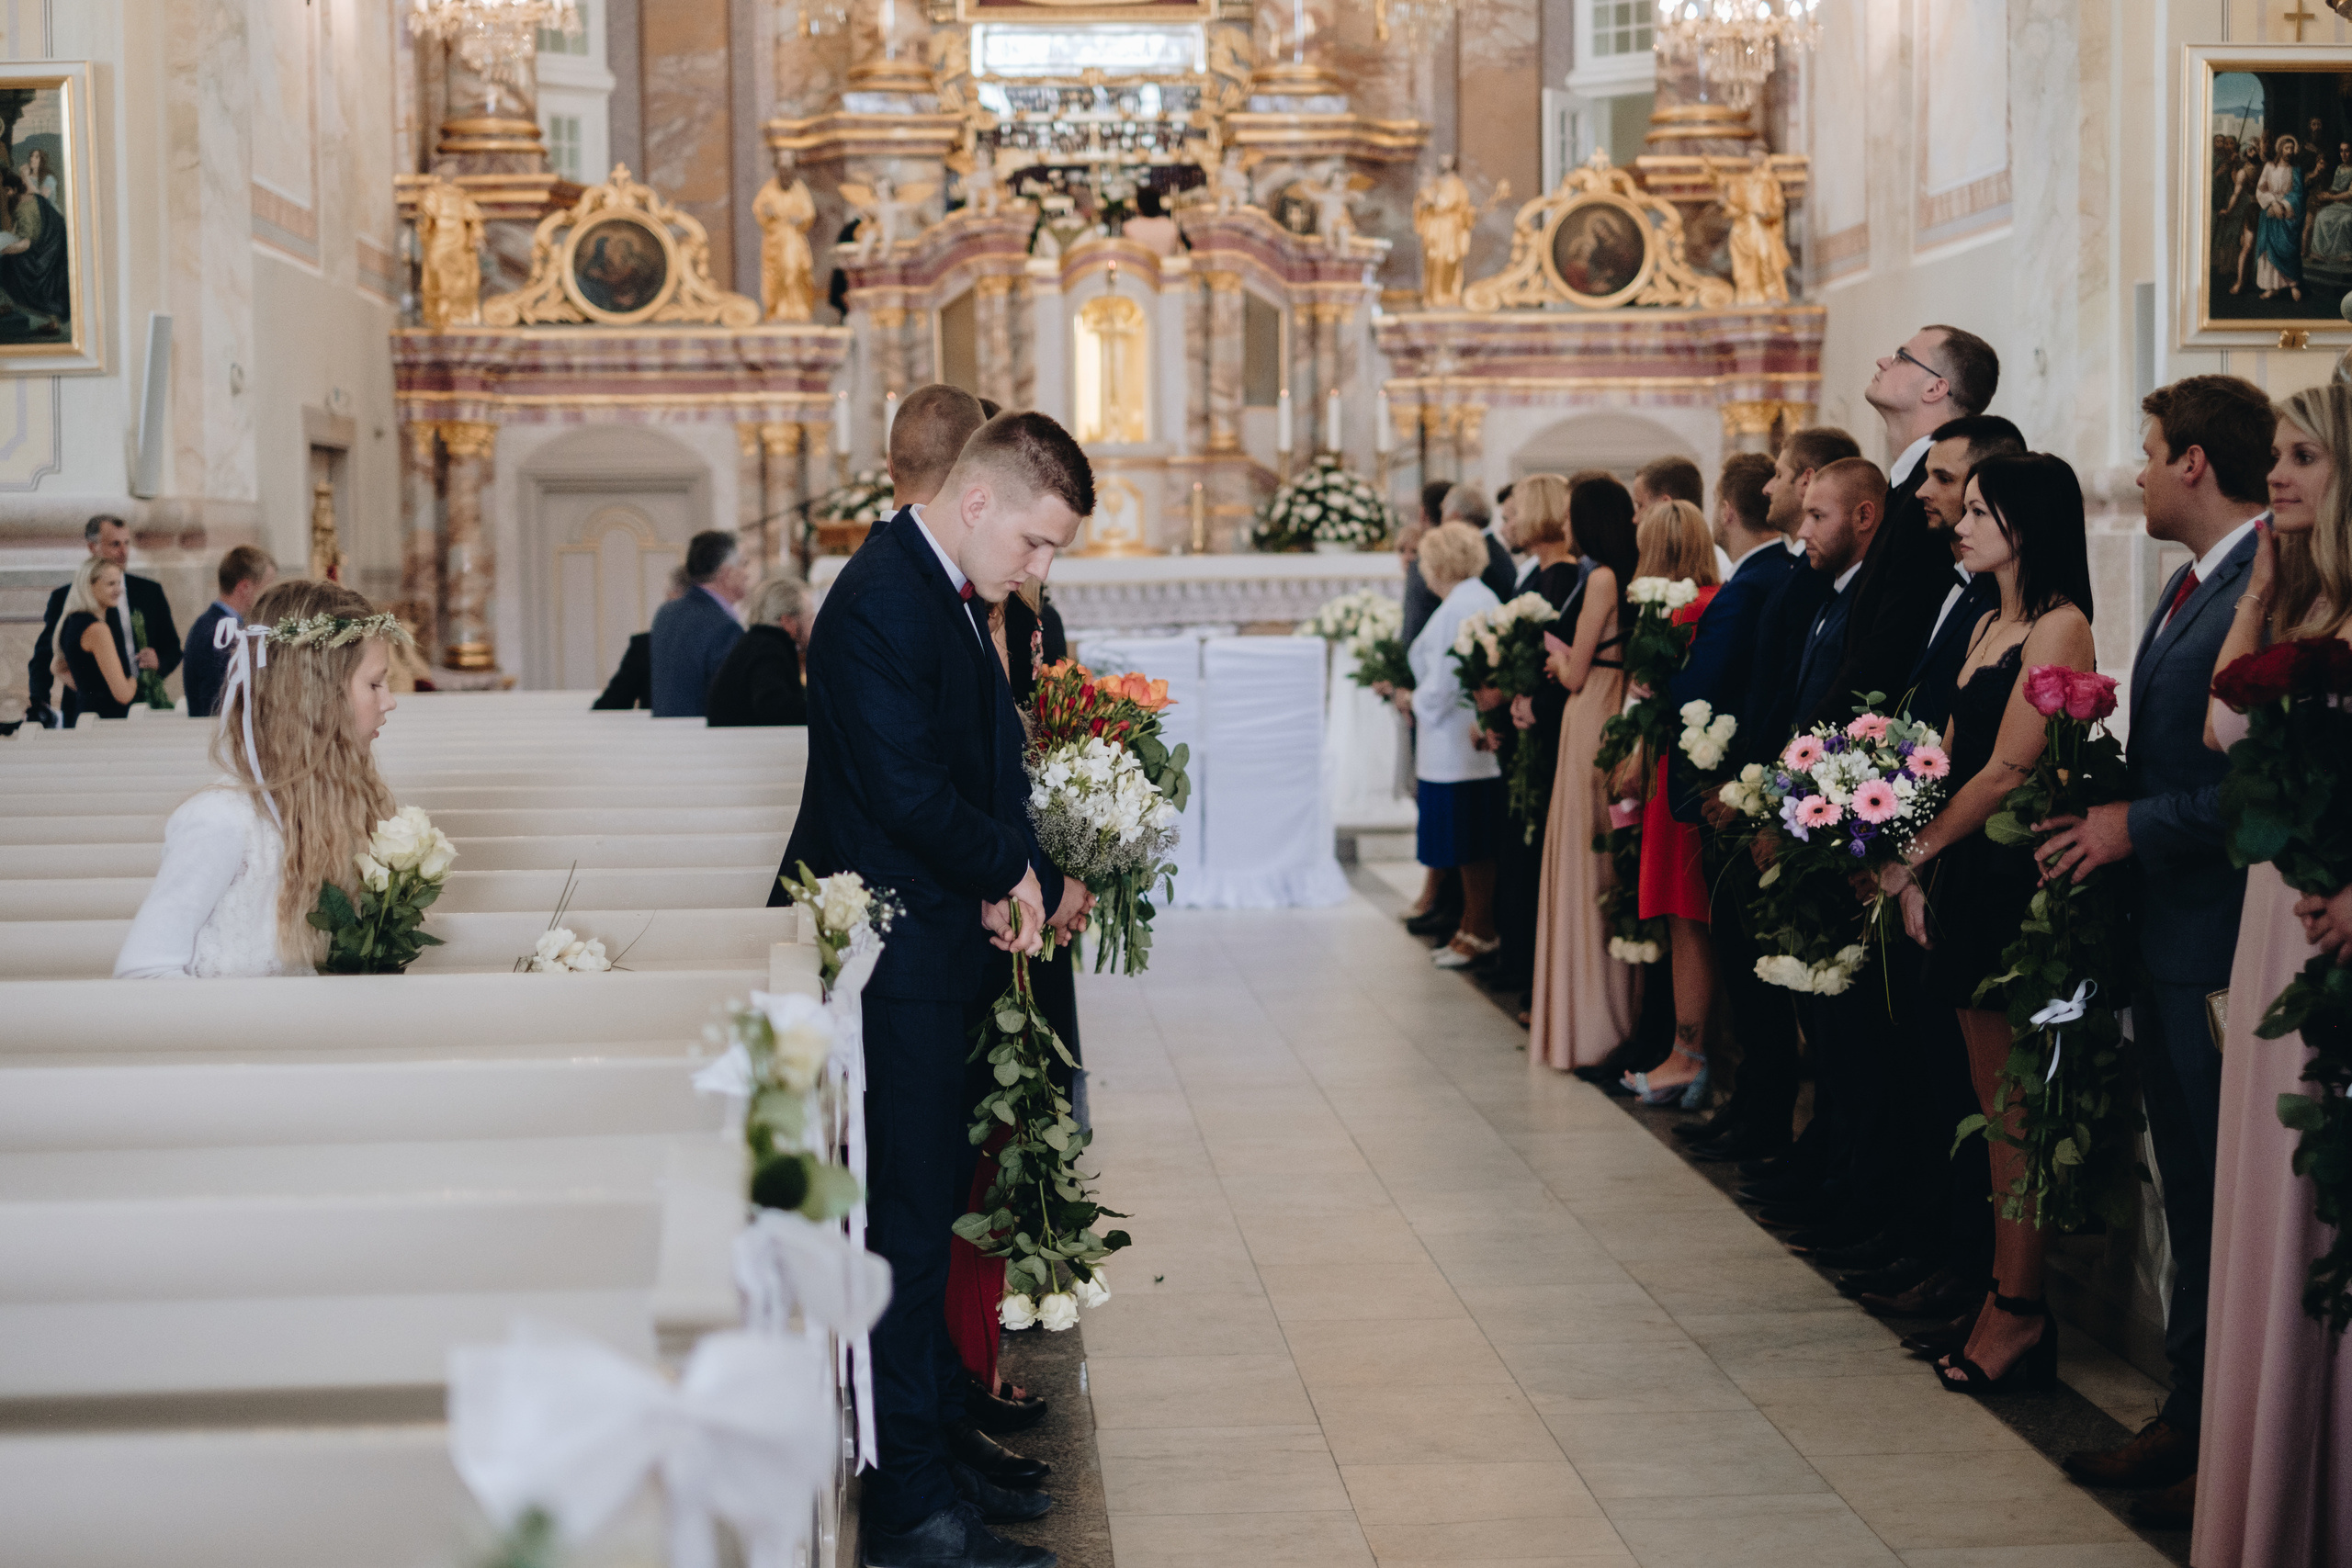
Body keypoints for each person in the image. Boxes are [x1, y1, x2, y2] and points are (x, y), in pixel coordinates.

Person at [779, 410, 1091, 1568]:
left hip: (931, 953)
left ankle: (931, 1456)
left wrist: (1039, 865)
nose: (1040, 569)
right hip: (892, 965)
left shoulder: (945, 587)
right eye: (1038, 543)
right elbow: (909, 793)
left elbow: (983, 760)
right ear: (976, 505)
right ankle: (911, 1508)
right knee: (905, 1231)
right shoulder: (880, 602)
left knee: (925, 1214)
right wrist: (1015, 866)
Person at [2039, 374, 2273, 1524]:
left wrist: (2134, 822)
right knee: (2190, 1190)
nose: (2131, 470)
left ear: (2192, 462)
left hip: (2225, 935)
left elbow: (2252, 782)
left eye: (2146, 450)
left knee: (2226, 1197)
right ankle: (2191, 1418)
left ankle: (2222, 1429)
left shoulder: (2268, 582)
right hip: (2170, 931)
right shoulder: (2196, 582)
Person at [1873, 453, 2097, 1393]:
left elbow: (2007, 769)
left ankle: (2020, 1309)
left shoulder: (2058, 627)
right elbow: (1944, 756)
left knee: (2014, 1110)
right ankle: (2004, 1294)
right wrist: (1913, 865)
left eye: (1977, 511)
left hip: (2011, 877)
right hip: (1962, 871)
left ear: (2027, 522)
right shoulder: (1985, 618)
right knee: (1985, 1098)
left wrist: (1913, 857)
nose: (1958, 524)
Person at [2190, 382, 2352, 1565]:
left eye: (2303, 457)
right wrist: (2258, 591)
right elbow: (2221, 728)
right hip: (2274, 922)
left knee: (2316, 1200)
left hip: (2326, 929)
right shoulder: (2305, 603)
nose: (2278, 475)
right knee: (2266, 1189)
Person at [115, 581, 404, 979]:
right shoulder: (221, 821)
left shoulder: (341, 805)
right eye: (374, 684)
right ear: (317, 696)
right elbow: (141, 974)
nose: (389, 701)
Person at [1662, 455, 1805, 1136]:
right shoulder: (1778, 574)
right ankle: (1752, 1102)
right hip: (1749, 784)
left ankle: (1758, 1110)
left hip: (1740, 790)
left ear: (1724, 509)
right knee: (1751, 962)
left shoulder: (1755, 584)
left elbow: (1710, 688)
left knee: (1751, 964)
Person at [1810, 325, 2001, 728]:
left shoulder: (1934, 499)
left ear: (1935, 389)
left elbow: (1893, 642)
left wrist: (1811, 742)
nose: (1883, 361)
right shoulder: (1906, 486)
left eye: (1900, 355)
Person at [1530, 477, 1641, 1071]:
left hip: (1591, 707)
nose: (1564, 525)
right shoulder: (1628, 568)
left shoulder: (1600, 577)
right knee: (1600, 857)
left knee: (1583, 859)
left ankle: (1588, 1023)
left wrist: (1554, 657)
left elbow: (1575, 672)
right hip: (1609, 702)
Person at [1618, 501, 1722, 1104]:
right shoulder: (1717, 598)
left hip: (1675, 776)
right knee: (1690, 916)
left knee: (1687, 918)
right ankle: (1690, 1051)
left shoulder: (1676, 611)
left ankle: (1689, 1055)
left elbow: (1657, 702)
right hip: (1687, 770)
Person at [1490, 474, 1584, 1005]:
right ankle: (1519, 963)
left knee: (1532, 849)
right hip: (1527, 727)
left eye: (1519, 511)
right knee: (1519, 847)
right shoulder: (1536, 578)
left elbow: (1563, 657)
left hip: (1547, 733)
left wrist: (1529, 702)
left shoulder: (1564, 578)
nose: (1511, 521)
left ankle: (1534, 975)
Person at [1400, 521, 1505, 968]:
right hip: (1460, 740)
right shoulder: (1476, 598)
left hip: (1456, 743)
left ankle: (1479, 929)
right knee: (1467, 844)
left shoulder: (1458, 607)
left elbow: (1443, 684)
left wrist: (1410, 700)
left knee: (1469, 842)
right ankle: (1470, 925)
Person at [1904, 416, 2029, 730]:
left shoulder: (2007, 597)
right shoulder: (1943, 577)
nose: (1921, 491)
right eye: (1927, 475)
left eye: (1944, 479)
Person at [29, 514, 180, 728]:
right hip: (95, 714)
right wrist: (41, 703)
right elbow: (48, 659)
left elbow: (173, 647)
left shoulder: (150, 591)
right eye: (115, 544)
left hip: (144, 707)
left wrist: (160, 662)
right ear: (93, 547)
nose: (124, 552)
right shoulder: (67, 599)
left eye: (127, 543)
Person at [649, 531, 751, 717]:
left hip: (665, 737)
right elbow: (731, 699)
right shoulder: (724, 627)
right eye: (744, 565)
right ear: (727, 574)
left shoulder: (666, 613)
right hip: (704, 739)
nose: (748, 574)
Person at [182, 546, 277, 720]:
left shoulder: (213, 623)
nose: (271, 598)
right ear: (245, 587)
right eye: (268, 588)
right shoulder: (221, 634)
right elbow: (219, 703)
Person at [706, 573, 811, 727]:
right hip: (742, 747)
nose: (814, 626)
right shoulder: (768, 650)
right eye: (810, 617)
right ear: (787, 621)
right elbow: (775, 709)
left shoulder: (756, 643)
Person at [52, 558, 140, 722]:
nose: (118, 590)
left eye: (119, 583)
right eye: (110, 584)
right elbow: (123, 695)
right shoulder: (97, 630)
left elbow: (57, 667)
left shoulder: (71, 622)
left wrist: (88, 693)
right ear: (90, 586)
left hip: (85, 716)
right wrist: (136, 678)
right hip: (105, 723)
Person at [594, 569, 690, 710]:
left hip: (657, 731)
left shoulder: (645, 647)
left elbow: (611, 705)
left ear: (673, 596)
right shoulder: (723, 639)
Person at [0, 163, 69, 337]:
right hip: (53, 250)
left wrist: (4, 251)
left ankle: (6, 304)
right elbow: (18, 232)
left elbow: (26, 244)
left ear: (15, 189)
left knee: (6, 265)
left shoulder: (24, 208)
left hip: (43, 256)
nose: (6, 194)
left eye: (7, 191)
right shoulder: (29, 198)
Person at [1440, 483, 1519, 603]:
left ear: (1455, 517)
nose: (1442, 522)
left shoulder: (1482, 558)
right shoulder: (1492, 550)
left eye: (1443, 513)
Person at [2253, 134, 2306, 303]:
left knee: (2288, 249)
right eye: (2286, 148)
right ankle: (2272, 288)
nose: (2289, 151)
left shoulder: (2295, 169)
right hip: (2270, 212)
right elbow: (2261, 189)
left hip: (2286, 213)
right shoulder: (2269, 166)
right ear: (2280, 148)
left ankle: (2293, 284)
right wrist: (2273, 203)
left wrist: (2283, 205)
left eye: (2292, 148)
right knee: (2269, 250)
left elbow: (2298, 194)